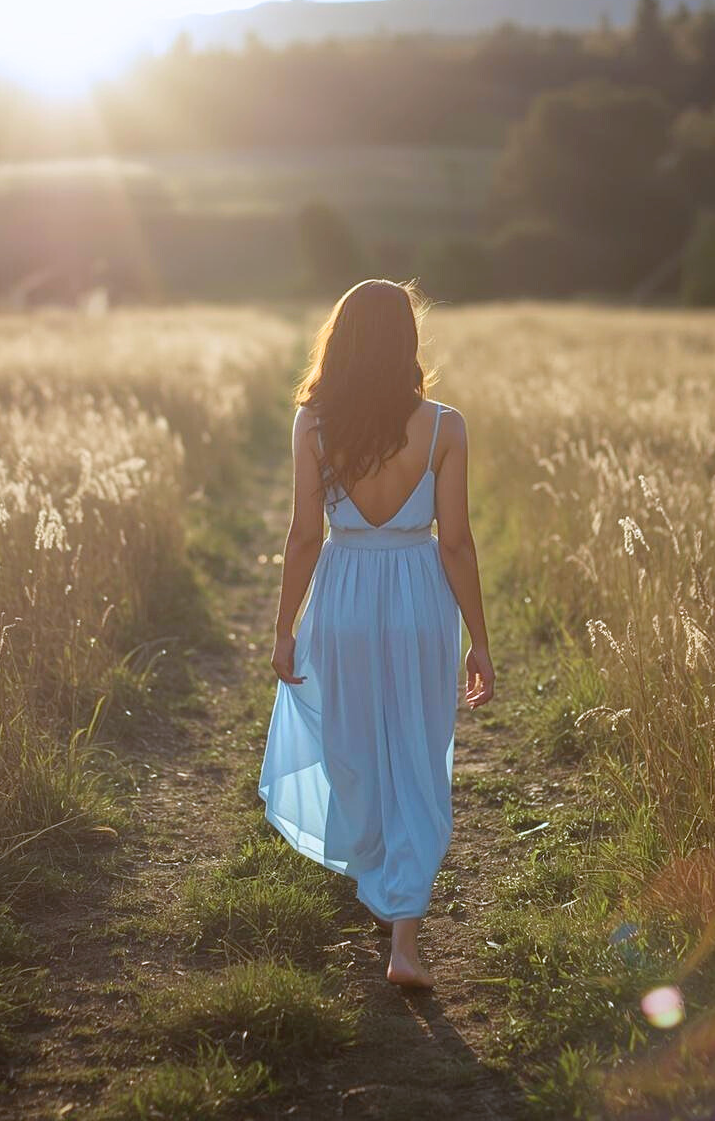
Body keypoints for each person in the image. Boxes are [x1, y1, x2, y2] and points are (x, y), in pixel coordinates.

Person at [259, 278, 495, 990]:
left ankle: (381, 884)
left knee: (354, 747)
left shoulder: (315, 424)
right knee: (419, 757)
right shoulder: (445, 426)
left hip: (344, 594)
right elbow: (455, 542)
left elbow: (304, 535)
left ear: (342, 339)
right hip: (421, 597)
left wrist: (284, 629)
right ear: (407, 342)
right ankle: (405, 939)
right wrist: (480, 640)